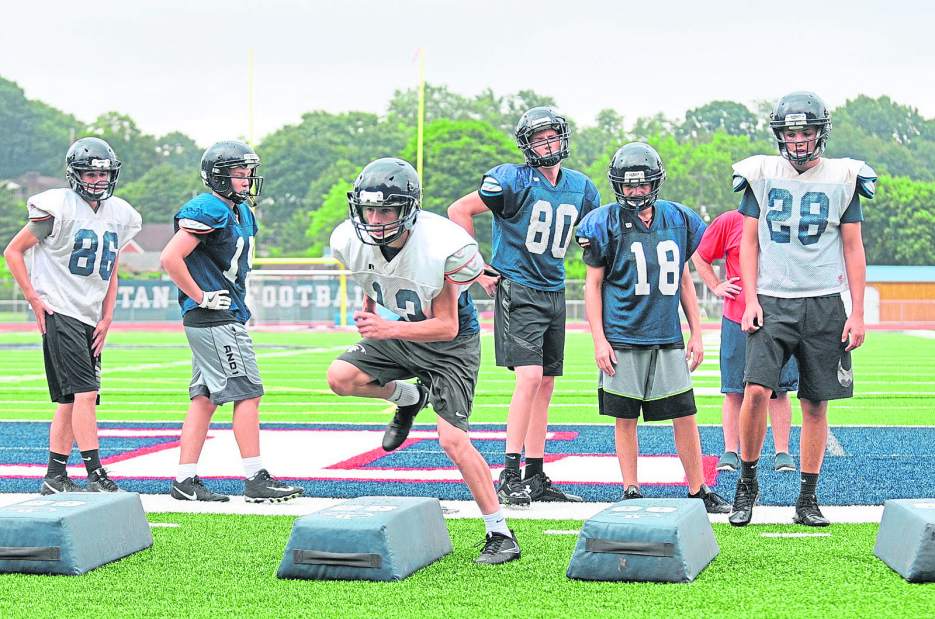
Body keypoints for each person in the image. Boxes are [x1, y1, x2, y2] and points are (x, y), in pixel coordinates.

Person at [327, 157, 521, 564]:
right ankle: (409, 398)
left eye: (387, 209)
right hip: (400, 330)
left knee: (452, 440)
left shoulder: (441, 246)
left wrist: (386, 329)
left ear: (408, 210)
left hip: (449, 346)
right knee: (341, 377)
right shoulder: (348, 239)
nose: (376, 219)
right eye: (370, 209)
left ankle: (500, 532)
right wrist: (371, 313)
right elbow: (370, 278)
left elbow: (446, 327)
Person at [729, 91, 873, 527]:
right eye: (791, 132)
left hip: (824, 301)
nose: (798, 140)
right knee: (755, 391)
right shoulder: (761, 173)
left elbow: (853, 247)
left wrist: (858, 310)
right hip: (772, 299)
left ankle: (806, 497)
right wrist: (750, 298)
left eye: (806, 131)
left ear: (820, 133)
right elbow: (748, 242)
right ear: (780, 135)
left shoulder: (844, 177)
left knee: (816, 402)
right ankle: (747, 483)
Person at [448, 107, 600, 505]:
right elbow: (459, 210)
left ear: (563, 138)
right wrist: (476, 270)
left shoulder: (581, 187)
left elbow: (593, 235)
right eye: (538, 138)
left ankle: (535, 474)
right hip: (518, 287)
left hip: (553, 288)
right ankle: (509, 473)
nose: (547, 143)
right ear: (527, 146)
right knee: (530, 379)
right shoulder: (512, 179)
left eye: (552, 136)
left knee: (546, 384)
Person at [577, 142, 730, 513]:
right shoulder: (603, 223)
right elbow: (592, 285)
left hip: (666, 336)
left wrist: (697, 331)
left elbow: (682, 278)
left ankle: (698, 489)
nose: (636, 191)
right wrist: (599, 339)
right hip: (623, 334)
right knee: (625, 417)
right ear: (618, 185)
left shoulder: (678, 219)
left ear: (655, 183)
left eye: (642, 184)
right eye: (629, 185)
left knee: (685, 414)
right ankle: (631, 488)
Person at [160, 140, 303, 504]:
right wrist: (201, 295)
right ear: (219, 177)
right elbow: (170, 258)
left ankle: (184, 479)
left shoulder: (241, 212)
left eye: (248, 174)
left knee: (206, 398)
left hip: (222, 314)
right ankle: (255, 479)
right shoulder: (209, 208)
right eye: (239, 174)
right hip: (214, 317)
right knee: (248, 392)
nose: (246, 181)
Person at [4, 137, 141, 493]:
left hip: (89, 314)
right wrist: (34, 298)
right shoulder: (57, 207)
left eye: (103, 173)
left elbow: (110, 270)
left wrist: (107, 316)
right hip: (60, 307)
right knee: (85, 393)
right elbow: (13, 251)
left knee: (71, 398)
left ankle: (54, 476)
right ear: (74, 174)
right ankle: (95, 473)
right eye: (89, 173)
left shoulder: (120, 214)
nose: (97, 180)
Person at [692, 210, 798, 473]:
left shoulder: (787, 216)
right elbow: (700, 255)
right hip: (737, 317)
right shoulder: (729, 221)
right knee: (734, 389)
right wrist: (716, 285)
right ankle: (731, 450)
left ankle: (782, 451)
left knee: (779, 390)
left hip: (779, 316)